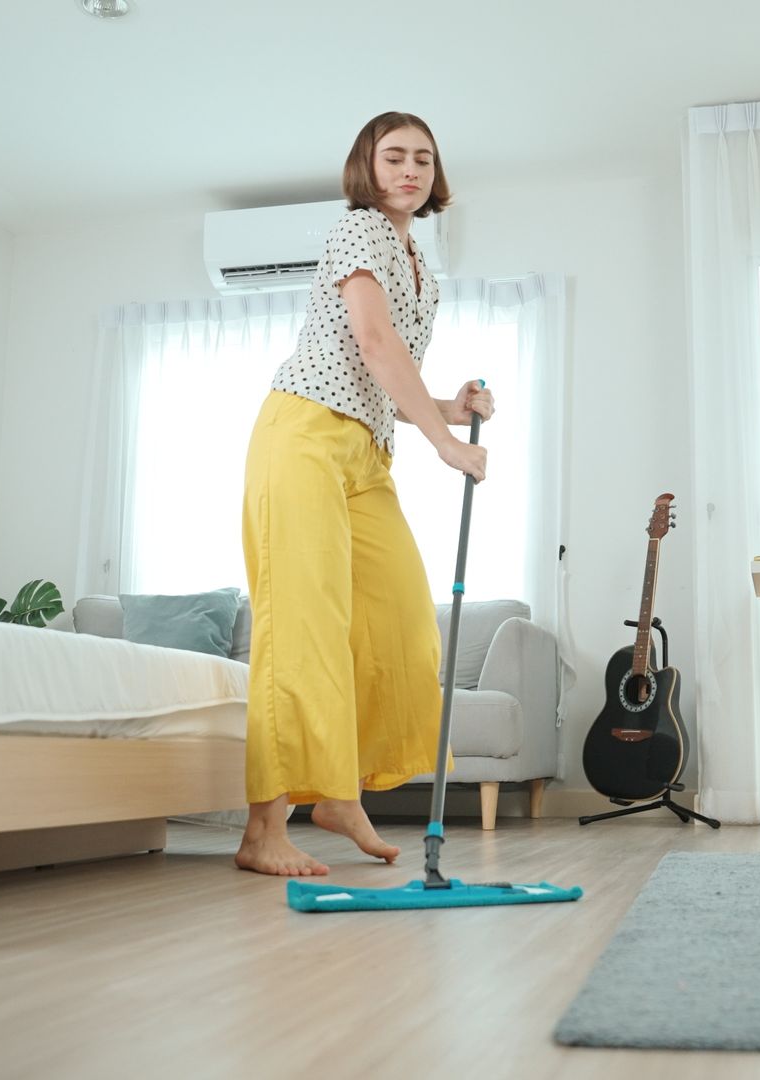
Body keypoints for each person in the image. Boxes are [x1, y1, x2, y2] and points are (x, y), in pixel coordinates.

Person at [236, 111, 495, 877]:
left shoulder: (421, 263)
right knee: (304, 628)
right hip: (304, 438)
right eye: (394, 157)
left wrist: (450, 408)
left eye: (423, 158)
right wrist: (447, 445)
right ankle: (261, 830)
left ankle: (339, 794)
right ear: (367, 167)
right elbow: (374, 343)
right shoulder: (358, 230)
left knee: (401, 625)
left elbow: (385, 376)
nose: (410, 170)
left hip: (365, 453)